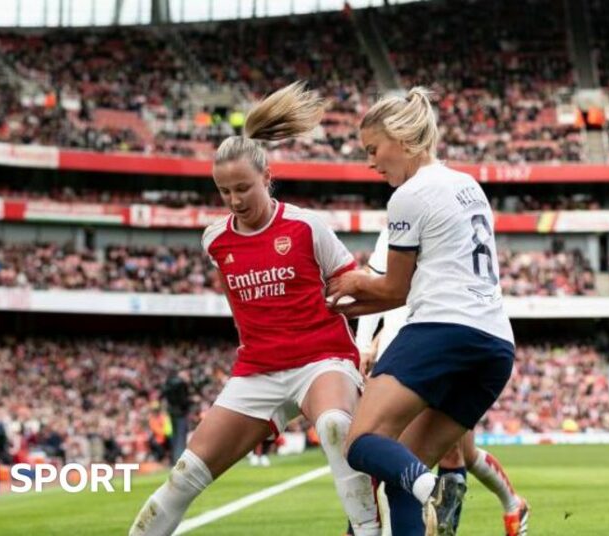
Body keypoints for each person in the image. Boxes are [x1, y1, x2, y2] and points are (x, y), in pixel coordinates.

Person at [129, 81, 380, 536]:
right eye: (224, 191)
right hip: (258, 370)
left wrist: (363, 347)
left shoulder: (307, 227)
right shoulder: (215, 240)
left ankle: (368, 530)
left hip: (321, 359)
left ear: (267, 178)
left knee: (332, 427)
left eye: (243, 187)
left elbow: (352, 291)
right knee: (183, 476)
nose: (235, 200)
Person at [327, 87, 516, 536]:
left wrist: (352, 282)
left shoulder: (408, 195)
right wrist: (343, 302)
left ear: (400, 138)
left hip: (441, 331)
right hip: (495, 346)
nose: (371, 163)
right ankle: (424, 483)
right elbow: (399, 294)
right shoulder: (467, 184)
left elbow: (394, 287)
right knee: (399, 478)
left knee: (362, 443)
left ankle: (431, 485)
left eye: (373, 150)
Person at [356, 228, 528, 536]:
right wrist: (365, 343)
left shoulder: (453, 230)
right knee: (443, 453)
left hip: (437, 350)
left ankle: (480, 513)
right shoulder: (400, 226)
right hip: (405, 351)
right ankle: (512, 503)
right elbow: (376, 282)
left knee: (437, 453)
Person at [162, 370, 191, 464]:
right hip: (180, 412)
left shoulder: (168, 383)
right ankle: (180, 460)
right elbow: (183, 400)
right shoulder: (181, 384)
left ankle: (175, 459)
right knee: (181, 436)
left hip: (171, 412)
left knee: (175, 437)